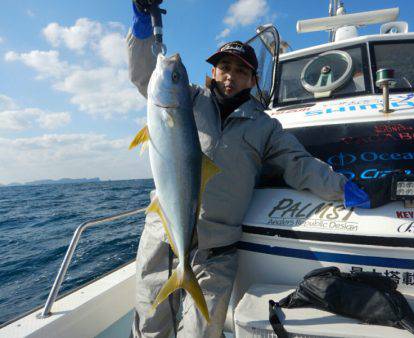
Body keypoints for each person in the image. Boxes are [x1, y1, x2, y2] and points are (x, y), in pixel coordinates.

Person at [127, 1, 389, 337]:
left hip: (216, 250)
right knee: (150, 324)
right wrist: (142, 28)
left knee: (203, 331)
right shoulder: (186, 100)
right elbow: (145, 75)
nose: (229, 76)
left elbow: (300, 164)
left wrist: (343, 188)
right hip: (164, 237)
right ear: (212, 73)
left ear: (252, 79)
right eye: (224, 67)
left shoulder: (265, 128)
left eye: (240, 71)